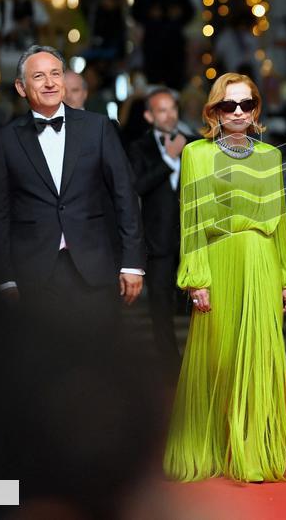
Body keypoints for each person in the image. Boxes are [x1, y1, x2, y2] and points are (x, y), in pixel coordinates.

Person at [164, 73, 286, 483]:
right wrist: (197, 278)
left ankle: (253, 453)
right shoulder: (197, 154)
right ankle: (217, 445)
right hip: (220, 258)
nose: (239, 112)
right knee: (222, 358)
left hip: (262, 260)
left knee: (261, 357)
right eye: (230, 106)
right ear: (214, 111)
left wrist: (285, 276)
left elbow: (279, 222)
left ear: (256, 109)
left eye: (247, 104)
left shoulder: (270, 156)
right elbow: (190, 223)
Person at [0, 45, 145, 331]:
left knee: (100, 362)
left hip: (95, 266)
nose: (49, 83)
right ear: (21, 88)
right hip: (33, 274)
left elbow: (124, 194)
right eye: (38, 76)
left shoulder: (97, 127)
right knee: (46, 366)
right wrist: (5, 277)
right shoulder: (5, 140)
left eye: (55, 74)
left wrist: (132, 262)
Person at [127, 87, 189, 377]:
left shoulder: (194, 143)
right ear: (150, 115)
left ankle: (200, 369)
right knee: (160, 310)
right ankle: (171, 372)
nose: (170, 114)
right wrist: (168, 161)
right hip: (158, 242)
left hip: (192, 241)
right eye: (162, 110)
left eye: (172, 108)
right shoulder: (139, 148)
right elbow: (137, 186)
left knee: (198, 308)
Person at [131, 0, 195, 90]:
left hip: (175, 44)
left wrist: (179, 13)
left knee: (176, 85)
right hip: (153, 44)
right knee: (153, 86)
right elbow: (135, 12)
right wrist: (149, 13)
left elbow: (190, 10)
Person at [0, 0, 50, 85]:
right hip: (7, 61)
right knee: (8, 93)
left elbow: (46, 28)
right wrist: (10, 36)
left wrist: (30, 26)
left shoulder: (32, 5)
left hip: (30, 62)